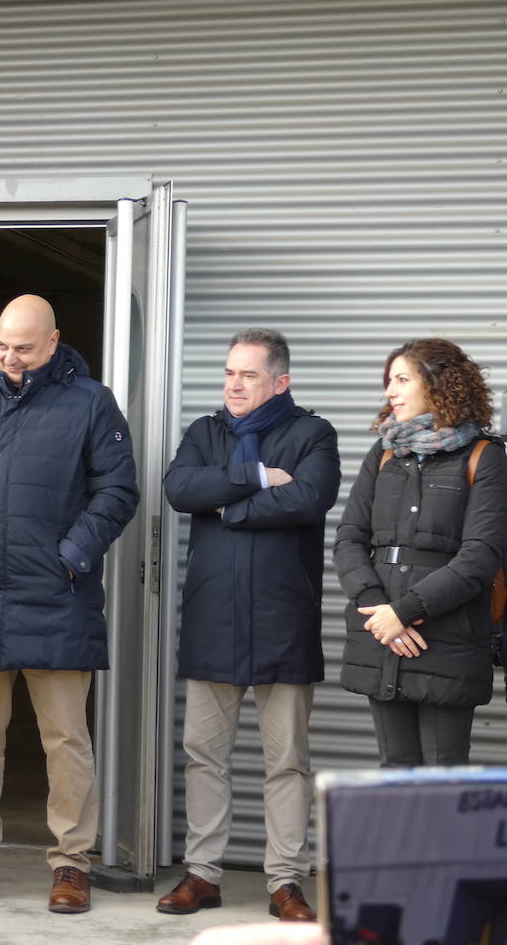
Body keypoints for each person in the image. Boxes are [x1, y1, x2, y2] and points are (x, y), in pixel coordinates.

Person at [0, 294, 138, 916]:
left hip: (55, 595)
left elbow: (118, 488)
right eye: (0, 346)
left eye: (22, 347)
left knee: (65, 740)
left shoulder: (90, 402)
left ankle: (71, 863)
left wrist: (71, 554)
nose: (8, 358)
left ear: (52, 342)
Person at [157, 329, 340, 923]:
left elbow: (310, 500)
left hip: (283, 617)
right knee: (204, 755)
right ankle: (203, 875)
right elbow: (180, 488)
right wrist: (260, 479)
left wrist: (226, 503)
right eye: (229, 373)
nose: (234, 385)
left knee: (287, 760)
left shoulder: (313, 433)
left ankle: (286, 881)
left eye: (248, 375)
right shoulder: (203, 432)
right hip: (212, 615)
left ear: (279, 382)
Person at [334, 338, 507, 767]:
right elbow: (349, 537)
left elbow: (479, 557)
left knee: (441, 778)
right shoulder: (385, 452)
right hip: (381, 634)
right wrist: (378, 610)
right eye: (388, 380)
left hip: (446, 640)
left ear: (438, 384)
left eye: (401, 379)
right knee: (395, 775)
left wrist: (405, 611)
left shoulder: (485, 457)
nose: (389, 391)